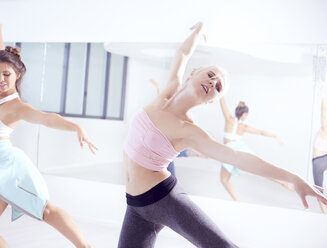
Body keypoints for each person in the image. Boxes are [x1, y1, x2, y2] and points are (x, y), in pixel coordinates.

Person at [118, 22, 327, 248]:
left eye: (218, 87)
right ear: (193, 73)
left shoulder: (190, 131)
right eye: (210, 75)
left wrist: (293, 178)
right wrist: (198, 31)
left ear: (212, 101)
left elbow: (238, 158)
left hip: (163, 199)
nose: (213, 82)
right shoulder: (167, 91)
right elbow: (183, 53)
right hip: (134, 206)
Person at [0, 24, 97, 248]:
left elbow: (46, 118)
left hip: (7, 167)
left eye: (6, 74)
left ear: (18, 74)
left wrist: (75, 127)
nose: (1, 79)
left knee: (46, 210)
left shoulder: (16, 106)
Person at [219, 96, 293, 201]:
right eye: (247, 115)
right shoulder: (244, 127)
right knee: (259, 170)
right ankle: (282, 183)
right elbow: (261, 132)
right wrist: (275, 136)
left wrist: (219, 90)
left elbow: (222, 102)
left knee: (224, 179)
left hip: (231, 153)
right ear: (244, 114)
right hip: (237, 151)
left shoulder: (229, 120)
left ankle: (237, 201)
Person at [312, 91, 327, 213]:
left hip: (318, 162)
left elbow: (323, 113)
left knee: (319, 192)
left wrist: (323, 98)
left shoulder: (324, 129)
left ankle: (325, 214)